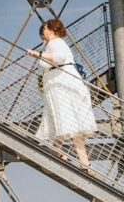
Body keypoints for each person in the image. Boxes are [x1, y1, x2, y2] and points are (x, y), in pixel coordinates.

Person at [25, 17, 96, 168]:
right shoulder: (54, 44)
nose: (43, 32)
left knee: (64, 119)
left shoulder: (55, 43)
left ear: (51, 30)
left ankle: (71, 158)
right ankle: (72, 158)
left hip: (62, 86)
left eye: (44, 29)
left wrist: (36, 54)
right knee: (60, 120)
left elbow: (58, 58)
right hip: (57, 86)